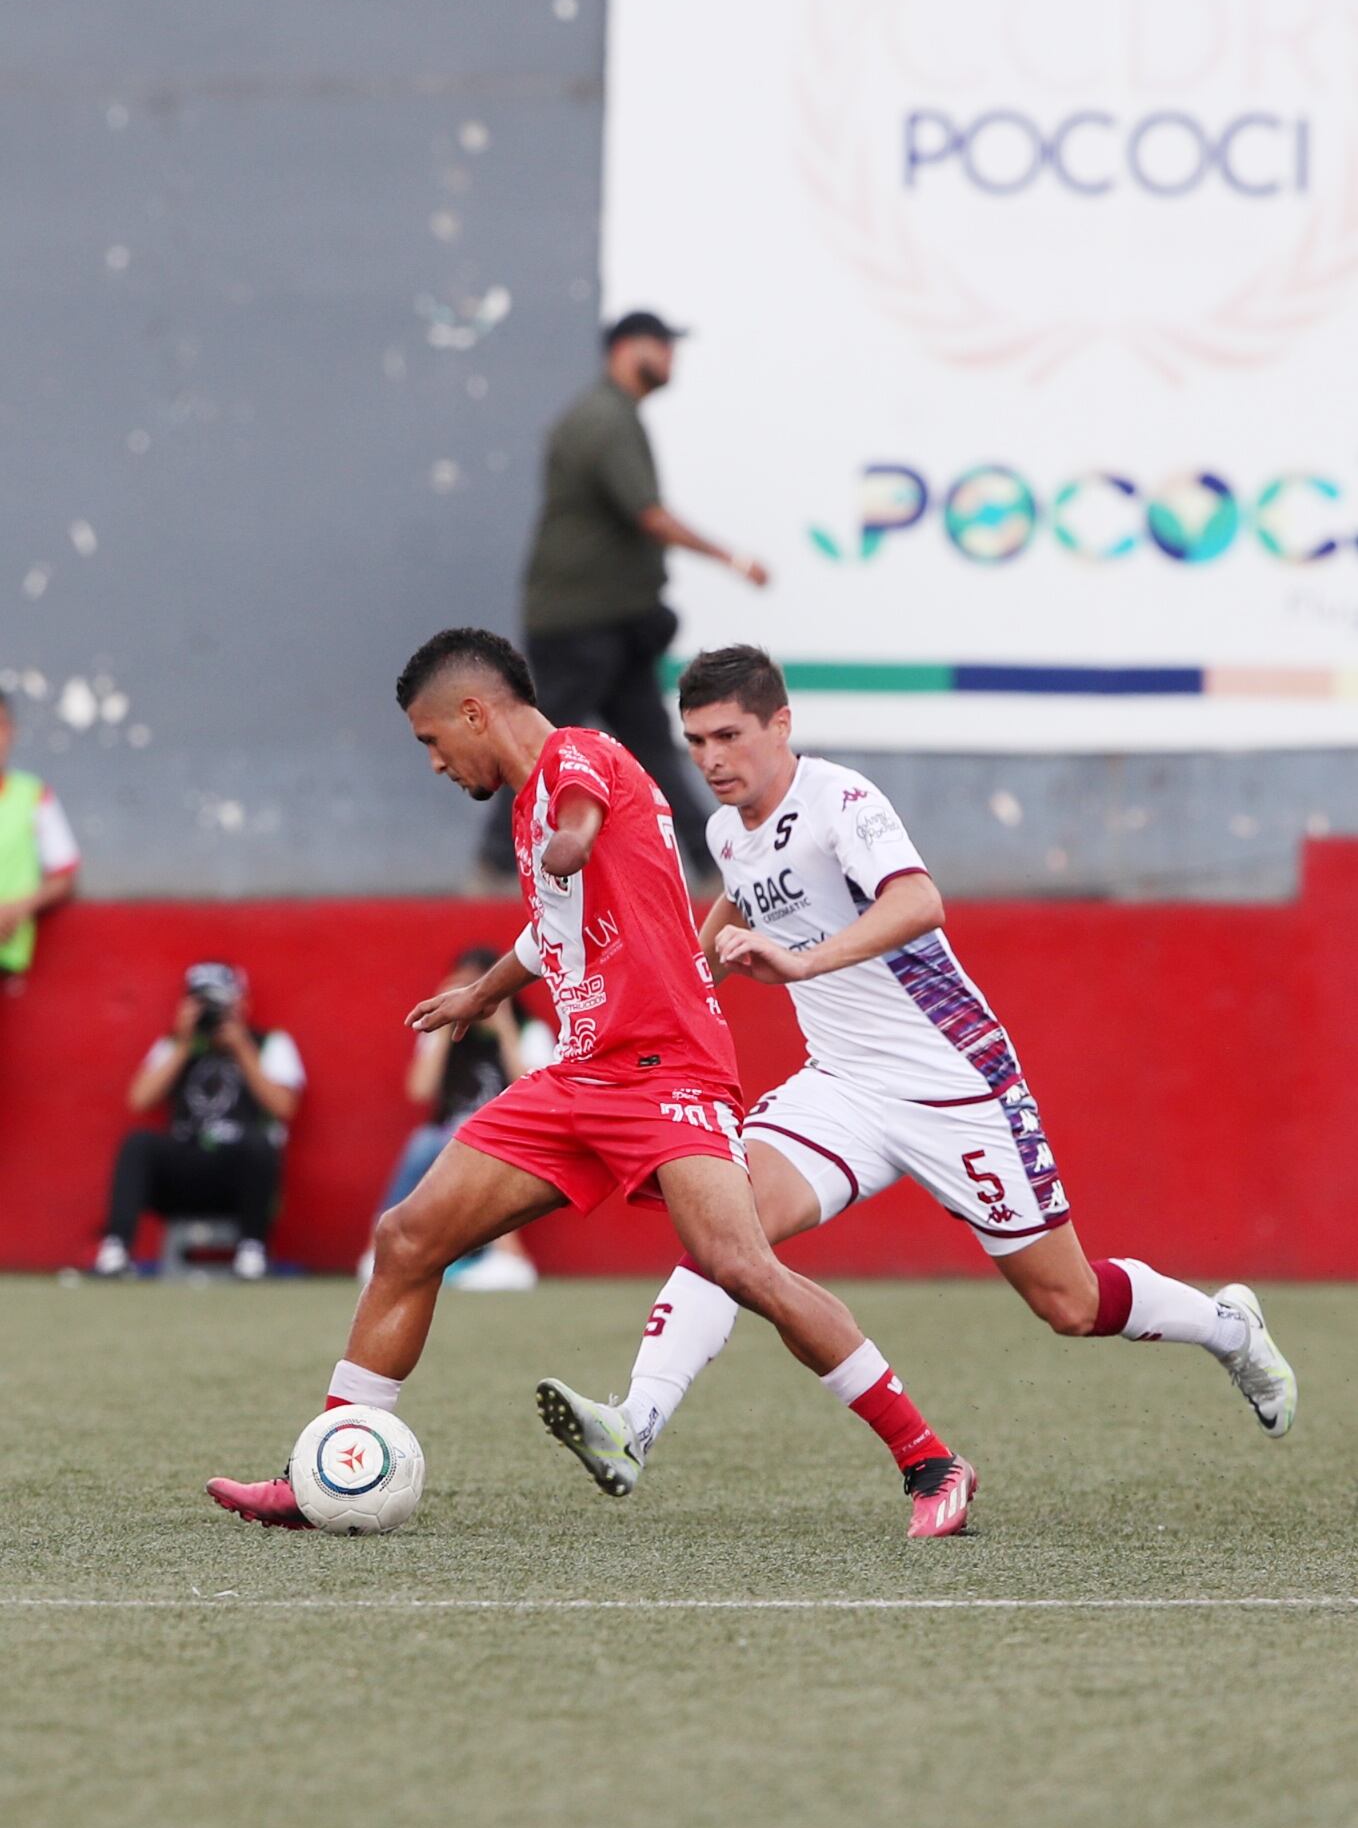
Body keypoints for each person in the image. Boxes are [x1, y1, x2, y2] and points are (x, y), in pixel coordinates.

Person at [206, 626, 975, 1537]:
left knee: (739, 1266)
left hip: (665, 1070)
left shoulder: (580, 757)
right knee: (408, 1236)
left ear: (472, 712)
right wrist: (482, 995)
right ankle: (324, 1468)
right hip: (581, 1075)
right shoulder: (538, 803)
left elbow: (580, 812)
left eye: (430, 741)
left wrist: (569, 842)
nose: (436, 763)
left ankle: (930, 1461)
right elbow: (552, 927)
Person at [538, 645, 1298, 1500]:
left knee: (1069, 1304)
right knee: (728, 1234)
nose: (711, 759)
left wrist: (805, 960)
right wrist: (672, 982)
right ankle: (634, 1422)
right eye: (696, 741)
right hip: (841, 1088)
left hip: (955, 1084)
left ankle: (1228, 1327)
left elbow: (918, 902)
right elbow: (729, 916)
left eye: (729, 735)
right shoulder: (724, 829)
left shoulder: (843, 801)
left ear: (781, 725)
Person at [475, 309, 770, 885]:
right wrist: (733, 560)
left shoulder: (613, 415)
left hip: (613, 623)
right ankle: (490, 866)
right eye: (660, 346)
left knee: (650, 747)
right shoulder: (605, 420)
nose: (670, 359)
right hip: (580, 625)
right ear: (627, 349)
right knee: (536, 747)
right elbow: (649, 515)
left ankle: (711, 865)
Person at [356, 943, 554, 1290]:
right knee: (425, 1142)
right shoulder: (445, 1034)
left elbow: (540, 1092)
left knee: (477, 1144)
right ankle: (379, 1246)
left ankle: (509, 1257)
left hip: (512, 1135)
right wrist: (445, 1032)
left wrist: (504, 1027)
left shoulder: (529, 1032)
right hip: (448, 1137)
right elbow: (420, 1091)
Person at [92, 962, 305, 1281]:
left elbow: (284, 1106)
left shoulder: (270, 1044)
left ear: (241, 1004)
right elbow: (139, 1100)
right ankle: (116, 1249)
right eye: (200, 1002)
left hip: (240, 1175)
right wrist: (183, 1045)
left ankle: (252, 1250)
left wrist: (241, 1048)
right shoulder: (174, 1044)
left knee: (260, 1144)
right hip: (186, 1168)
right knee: (138, 1143)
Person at [0, 689, 79, 985]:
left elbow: (65, 876)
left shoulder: (32, 796)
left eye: (1, 725)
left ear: (13, 732)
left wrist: (13, 910)